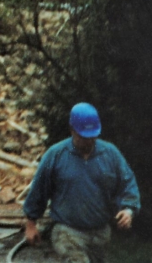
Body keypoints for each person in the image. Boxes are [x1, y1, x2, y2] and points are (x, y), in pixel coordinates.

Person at [21, 102, 140, 263]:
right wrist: (31, 223)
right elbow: (39, 190)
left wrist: (128, 210)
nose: (89, 141)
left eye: (93, 136)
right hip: (67, 231)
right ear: (72, 129)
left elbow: (128, 183)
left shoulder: (110, 154)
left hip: (100, 233)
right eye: (84, 137)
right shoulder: (56, 155)